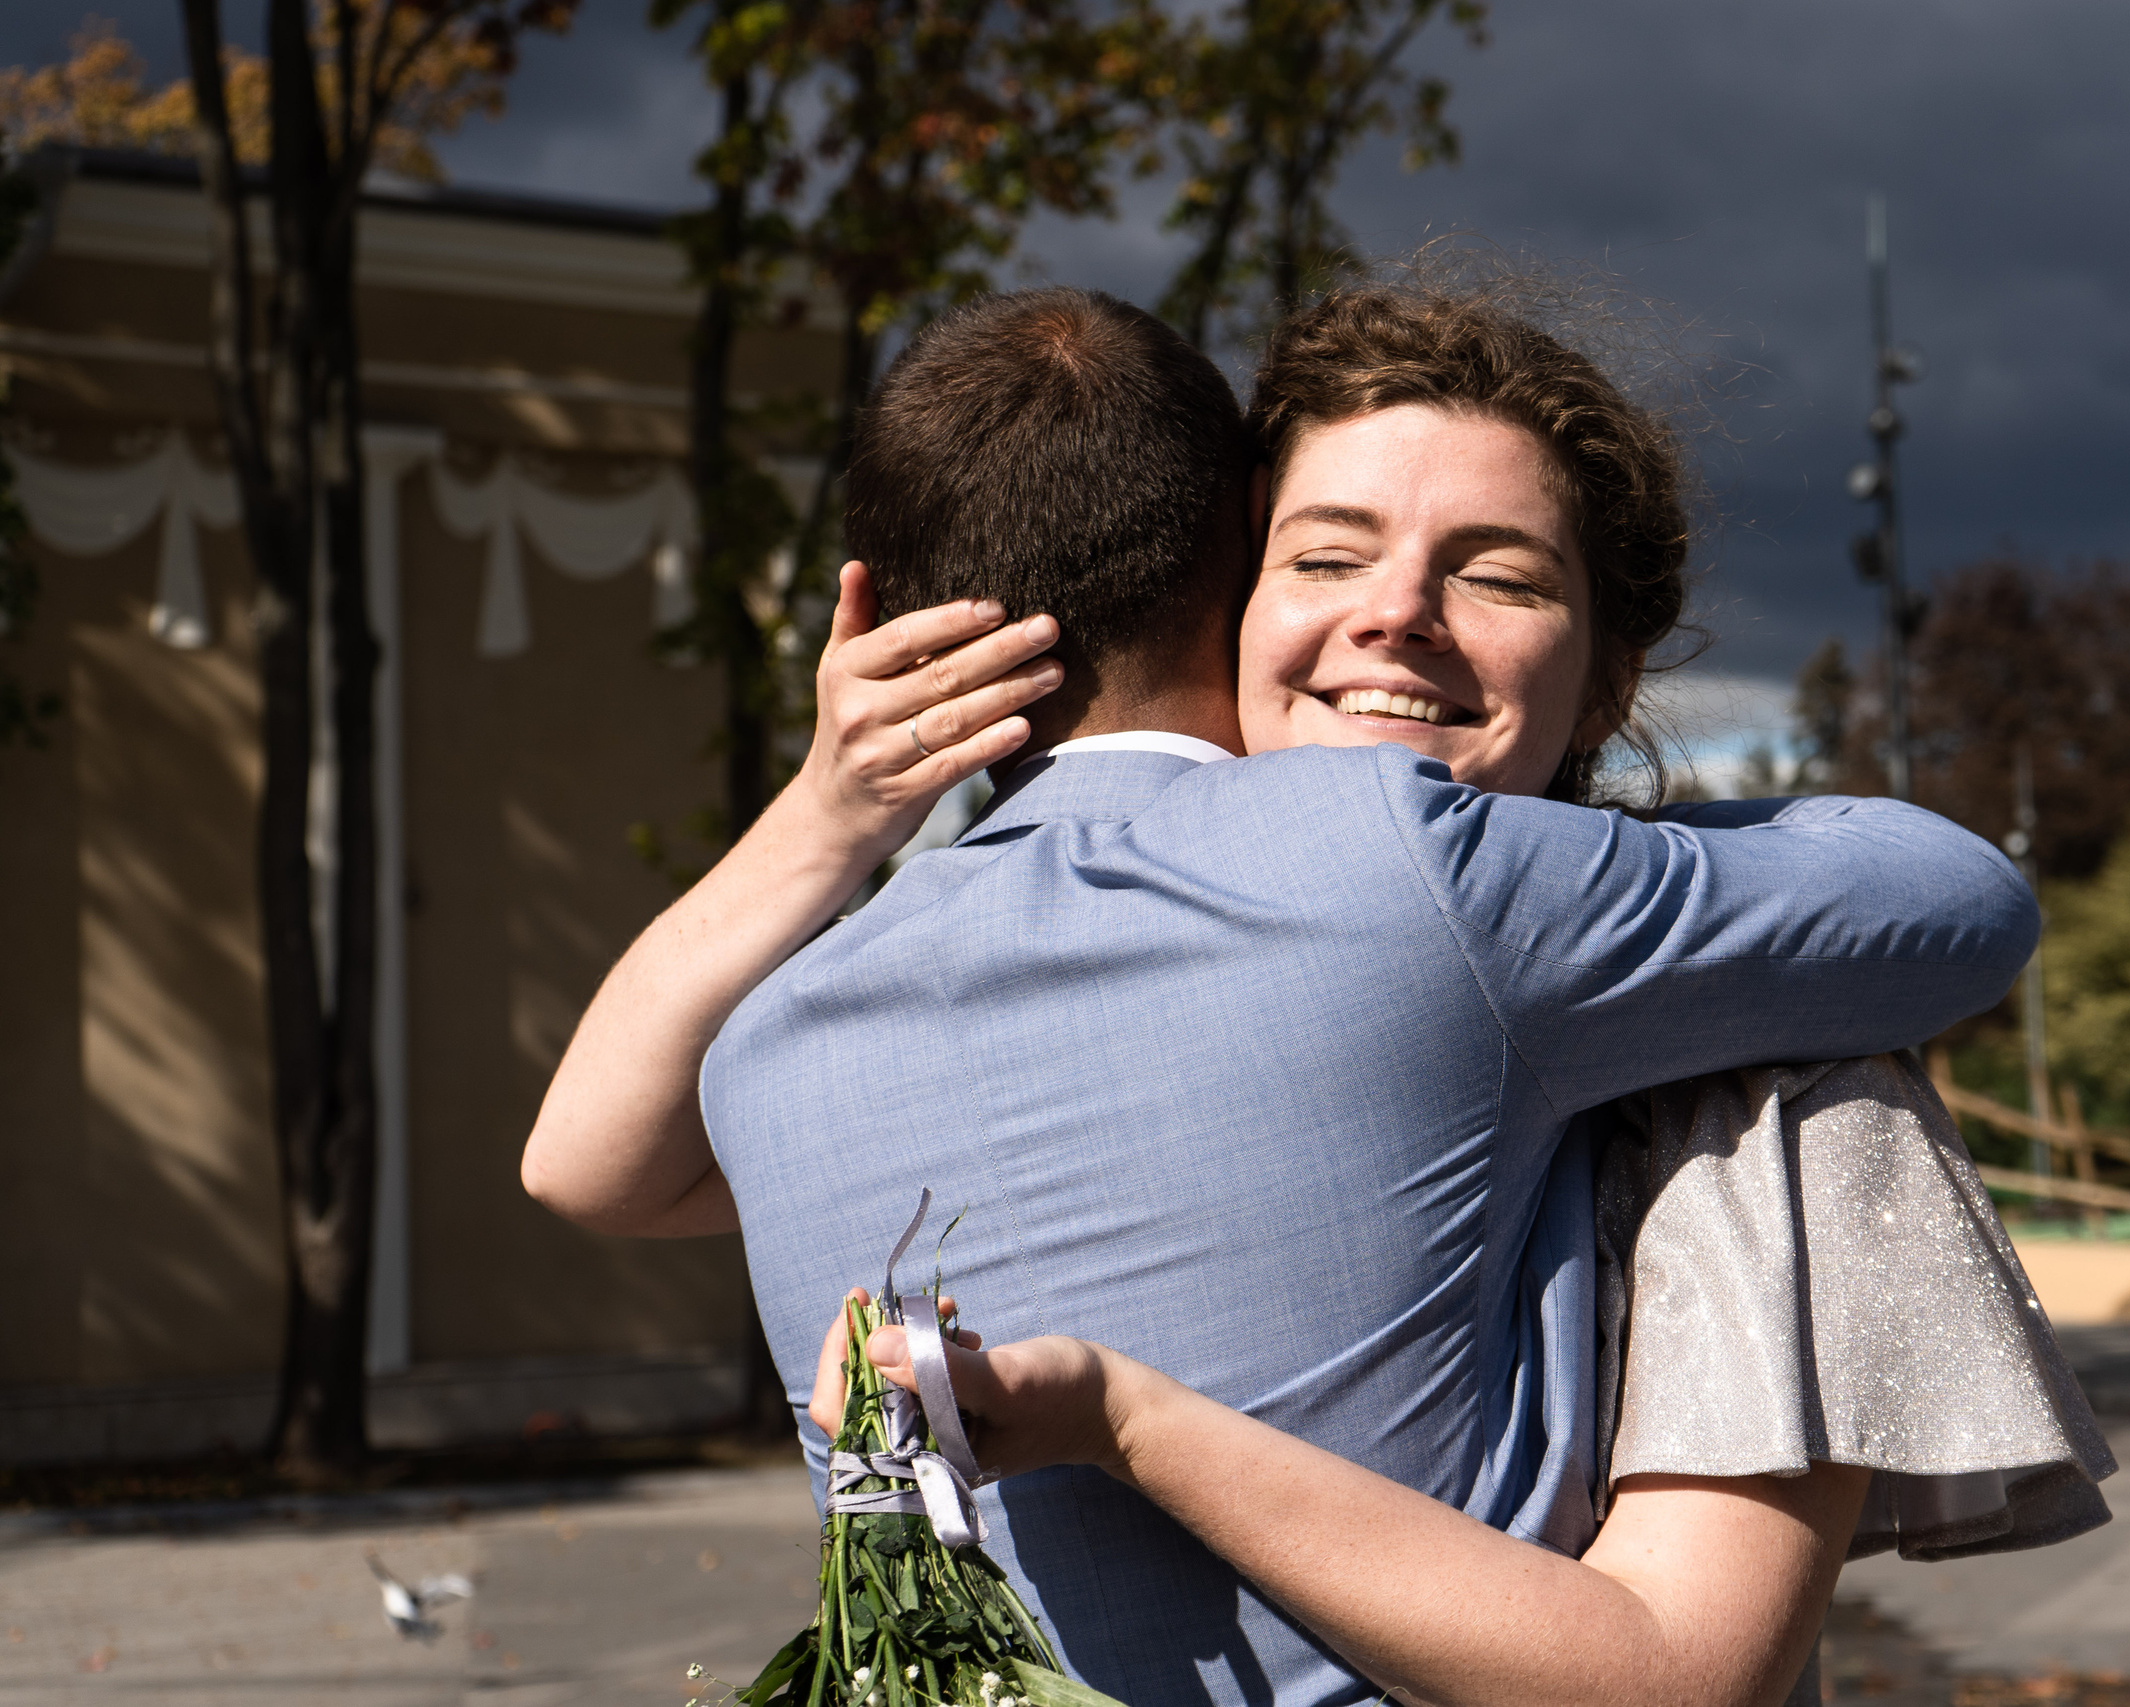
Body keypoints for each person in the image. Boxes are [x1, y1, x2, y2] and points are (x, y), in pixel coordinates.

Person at [522, 284, 2044, 1707]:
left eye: (1498, 573)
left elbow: (584, 1164)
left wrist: (820, 814)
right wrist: (1540, 862)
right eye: (1323, 555)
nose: (1396, 613)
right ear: (1222, 580)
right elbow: (1966, 898)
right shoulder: (1424, 871)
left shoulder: (783, 1025)